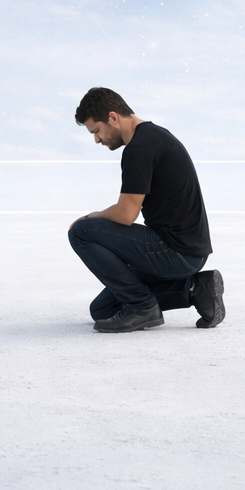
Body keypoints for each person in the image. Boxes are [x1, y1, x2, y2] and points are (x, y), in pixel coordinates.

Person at [67, 86, 225, 333]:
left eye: (96, 131)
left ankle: (143, 308)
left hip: (174, 252)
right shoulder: (155, 135)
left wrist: (92, 217)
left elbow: (126, 215)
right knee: (102, 311)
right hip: (191, 253)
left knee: (81, 231)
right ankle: (195, 289)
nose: (97, 140)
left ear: (113, 117)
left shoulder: (138, 149)